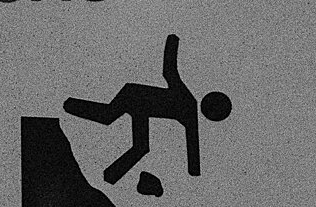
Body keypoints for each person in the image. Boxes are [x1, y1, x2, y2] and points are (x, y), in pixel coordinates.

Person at [64, 33, 232, 183]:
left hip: (142, 107)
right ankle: (69, 105)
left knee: (141, 147)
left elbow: (192, 145)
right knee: (108, 116)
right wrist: (172, 42)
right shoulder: (187, 101)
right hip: (134, 96)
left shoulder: (189, 109)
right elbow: (169, 72)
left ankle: (109, 176)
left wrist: (194, 171)